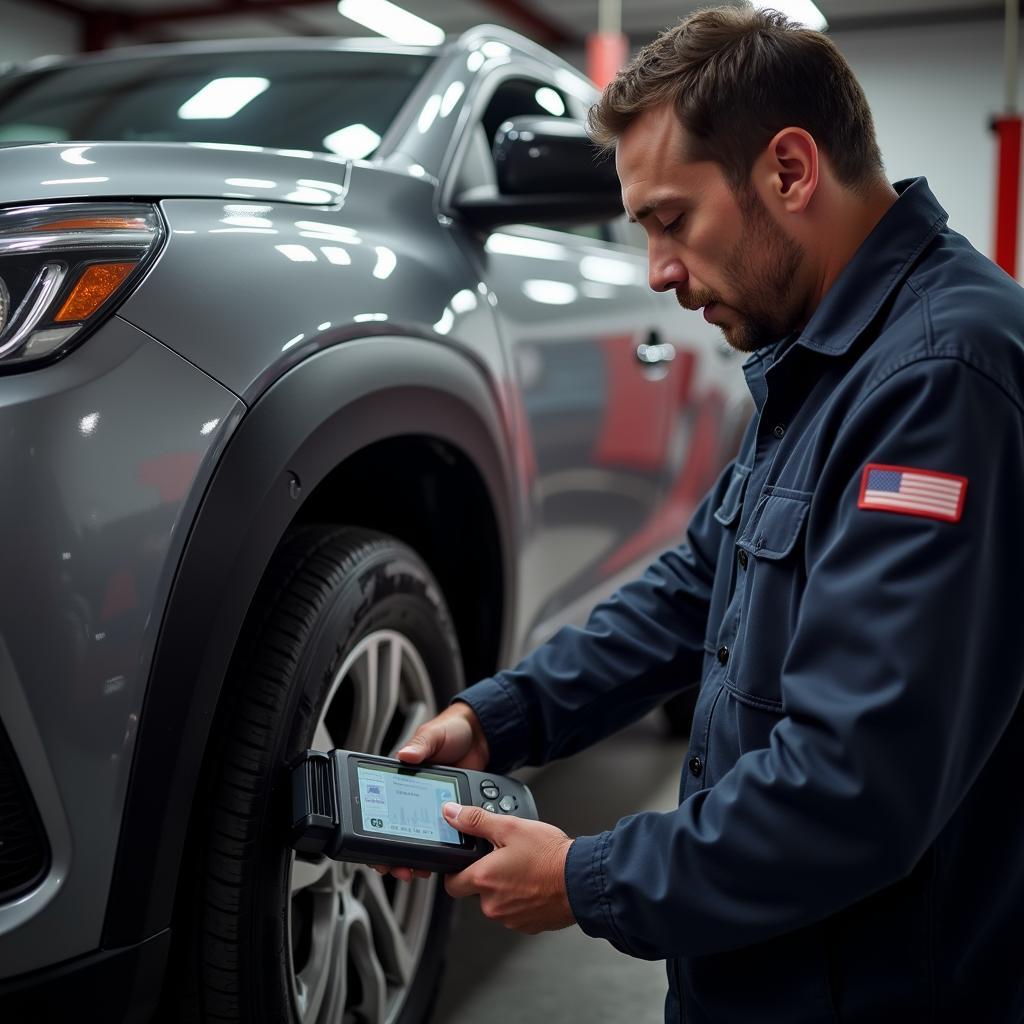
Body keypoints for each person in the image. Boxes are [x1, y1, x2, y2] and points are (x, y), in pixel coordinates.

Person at [376, 6, 1024, 1021]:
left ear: (790, 171)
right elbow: (692, 590)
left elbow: (855, 788)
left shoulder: (939, 382)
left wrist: (587, 876)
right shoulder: (821, 355)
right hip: (764, 967)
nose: (658, 274)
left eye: (672, 220)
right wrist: (499, 716)